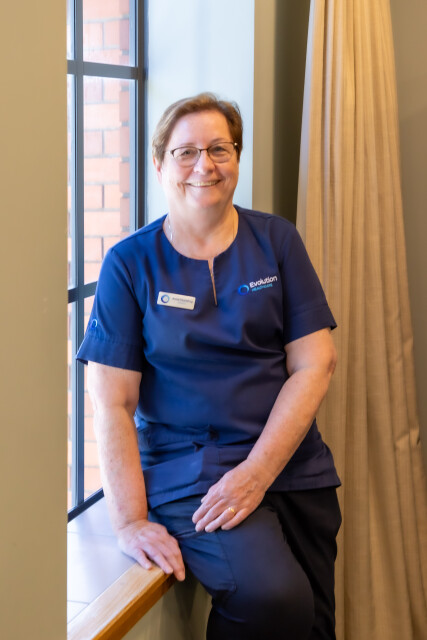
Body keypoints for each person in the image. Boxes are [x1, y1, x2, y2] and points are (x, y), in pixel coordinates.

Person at [77, 92, 341, 640]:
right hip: (190, 470)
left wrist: (257, 472)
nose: (206, 165)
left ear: (237, 157)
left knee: (315, 624)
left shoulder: (276, 240)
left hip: (288, 459)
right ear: (159, 163)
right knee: (271, 599)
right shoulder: (130, 262)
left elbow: (315, 363)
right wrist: (129, 521)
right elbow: (112, 401)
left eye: (220, 149)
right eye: (186, 152)